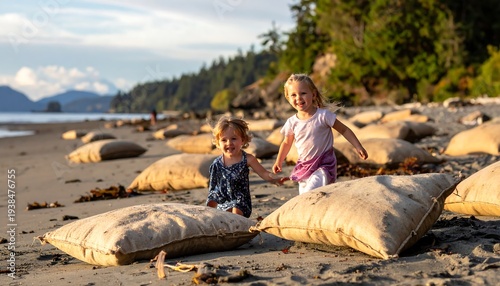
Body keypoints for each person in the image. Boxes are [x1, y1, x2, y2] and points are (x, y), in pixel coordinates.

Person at [272, 73, 368, 195]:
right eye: (293, 95)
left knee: (310, 193)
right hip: (304, 166)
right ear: (288, 98)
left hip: (324, 164)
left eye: (303, 93)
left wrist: (358, 146)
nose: (298, 98)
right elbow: (286, 142)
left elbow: (344, 130)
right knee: (305, 197)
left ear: (313, 94)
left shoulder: (323, 116)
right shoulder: (292, 122)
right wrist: (279, 161)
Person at [206, 116, 287, 217]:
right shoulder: (217, 164)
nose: (229, 143)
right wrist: (210, 209)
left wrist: (275, 179)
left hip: (241, 201)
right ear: (218, 143)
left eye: (234, 139)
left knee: (235, 211)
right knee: (221, 214)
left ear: (243, 140)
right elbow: (213, 189)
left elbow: (263, 173)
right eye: (224, 140)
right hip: (224, 202)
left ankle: (239, 228)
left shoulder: (247, 159)